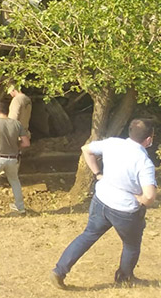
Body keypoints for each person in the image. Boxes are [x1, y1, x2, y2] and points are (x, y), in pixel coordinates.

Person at [50, 119, 156, 289]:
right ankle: (124, 278)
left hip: (101, 200)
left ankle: (59, 271)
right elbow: (149, 196)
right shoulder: (144, 163)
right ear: (149, 139)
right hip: (125, 211)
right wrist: (140, 198)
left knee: (88, 235)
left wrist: (98, 174)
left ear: (130, 132)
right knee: (131, 245)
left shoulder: (112, 143)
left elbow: (86, 149)